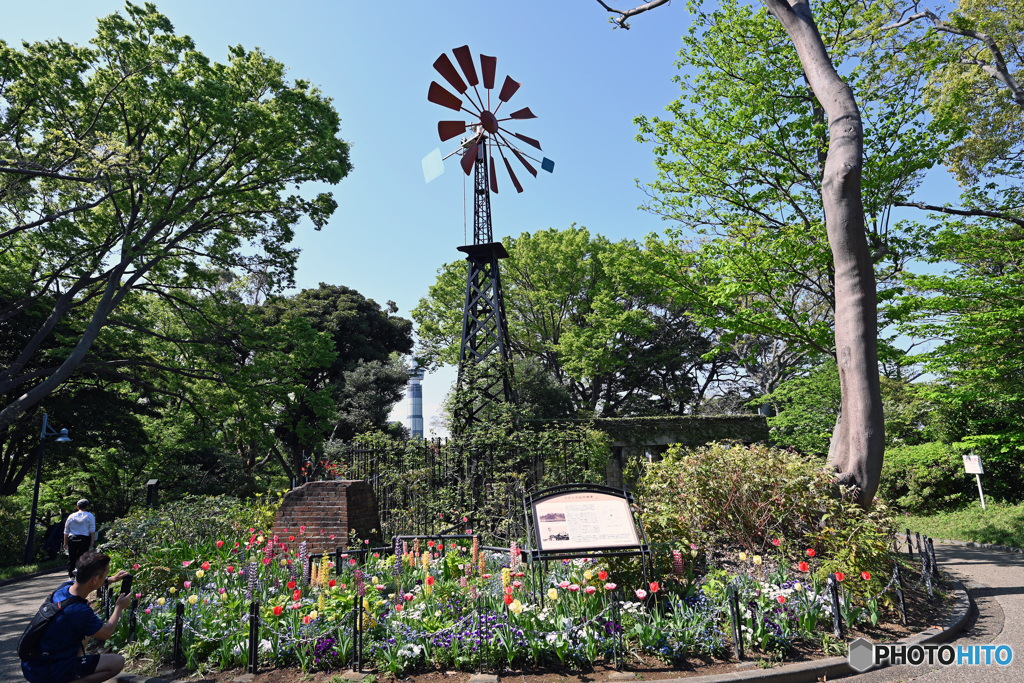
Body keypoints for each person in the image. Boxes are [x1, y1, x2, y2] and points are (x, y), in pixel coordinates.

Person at [21, 551, 131, 683]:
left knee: (86, 632)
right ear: (95, 579)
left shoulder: (64, 588)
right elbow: (106, 632)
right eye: (106, 574)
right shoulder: (79, 610)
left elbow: (87, 583)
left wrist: (111, 579)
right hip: (48, 671)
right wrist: (119, 607)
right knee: (117, 662)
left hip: (32, 664)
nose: (107, 576)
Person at [63, 501, 95, 579]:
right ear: (87, 507)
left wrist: (65, 542)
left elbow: (66, 530)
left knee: (71, 558)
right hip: (84, 539)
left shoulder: (71, 516)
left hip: (72, 539)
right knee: (83, 558)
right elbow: (92, 530)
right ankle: (81, 575)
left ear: (77, 507)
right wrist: (92, 541)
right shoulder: (90, 516)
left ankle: (71, 576)